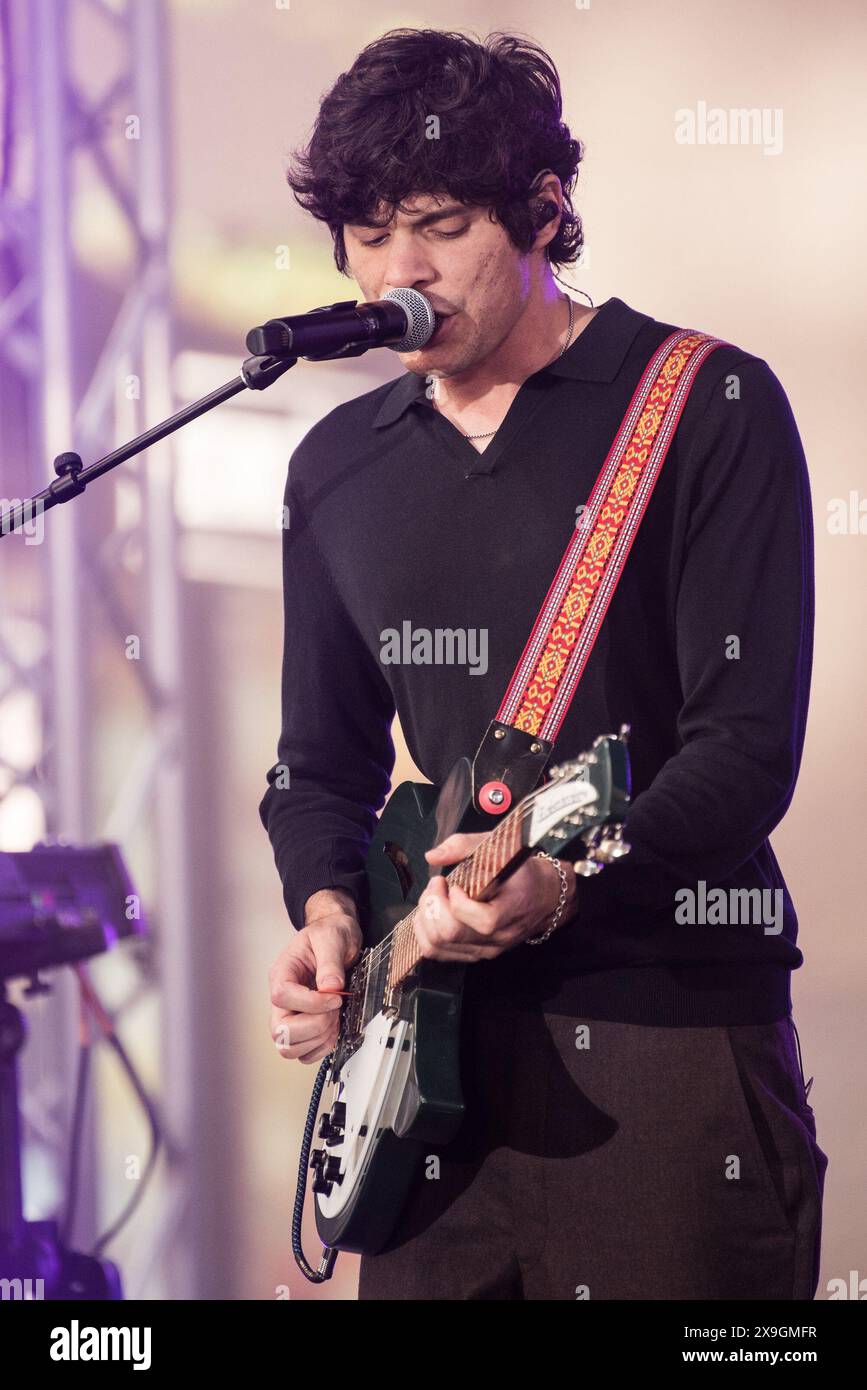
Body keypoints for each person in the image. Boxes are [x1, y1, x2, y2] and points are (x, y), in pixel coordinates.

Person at [259, 27, 827, 1300]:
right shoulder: (337, 465)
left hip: (663, 1046)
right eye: (364, 233)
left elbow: (743, 756)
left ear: (542, 210)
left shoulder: (703, 404)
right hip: (420, 1083)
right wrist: (330, 914)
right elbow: (318, 767)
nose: (396, 270)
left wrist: (562, 890)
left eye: (440, 224)